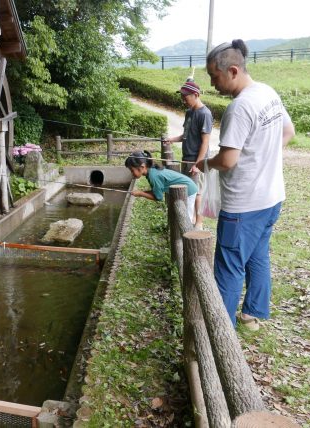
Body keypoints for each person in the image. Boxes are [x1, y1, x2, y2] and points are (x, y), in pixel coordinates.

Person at [195, 39, 295, 331]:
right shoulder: (267, 92)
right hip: (272, 197)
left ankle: (220, 333)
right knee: (258, 256)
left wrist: (205, 164)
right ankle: (252, 315)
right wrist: (261, 155)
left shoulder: (239, 107)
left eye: (215, 76)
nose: (213, 84)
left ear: (233, 71)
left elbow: (227, 161)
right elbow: (288, 132)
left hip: (244, 205)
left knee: (228, 269)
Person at [163, 80, 213, 230]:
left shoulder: (205, 114)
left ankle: (198, 223)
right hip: (186, 159)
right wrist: (172, 140)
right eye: (182, 97)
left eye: (186, 97)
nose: (183, 100)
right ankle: (187, 221)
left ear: (196, 95)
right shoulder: (189, 112)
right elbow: (185, 135)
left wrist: (198, 164)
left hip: (198, 161)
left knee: (197, 193)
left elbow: (205, 142)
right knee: (188, 191)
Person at [125, 151, 198, 221]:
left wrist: (141, 194)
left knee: (186, 219)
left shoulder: (153, 176)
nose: (131, 173)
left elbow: (158, 197)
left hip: (189, 191)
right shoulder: (152, 171)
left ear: (142, 167)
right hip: (186, 187)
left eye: (132, 170)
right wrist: (141, 192)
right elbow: (155, 192)